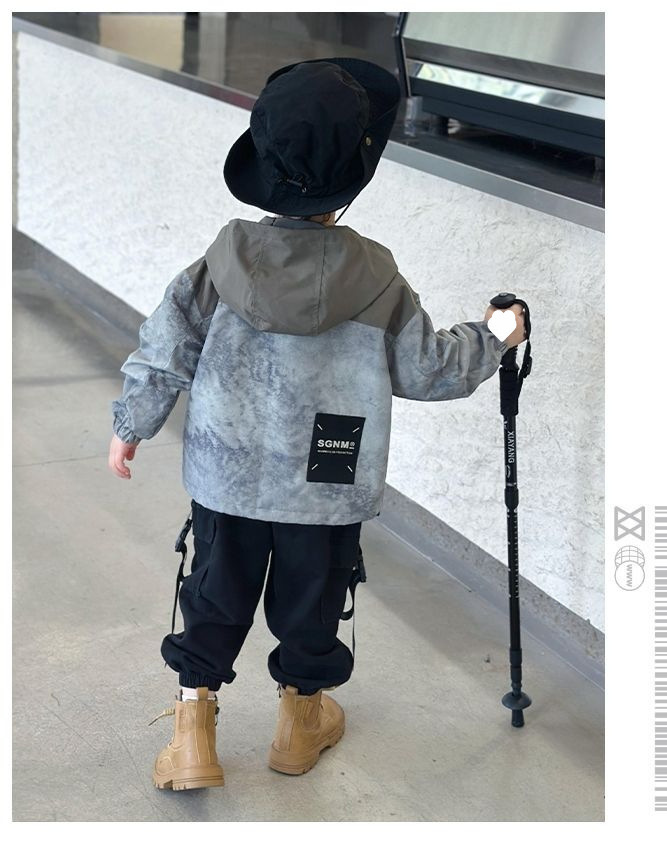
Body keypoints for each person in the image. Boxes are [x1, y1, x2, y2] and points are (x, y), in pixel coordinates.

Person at [108, 57, 527, 792]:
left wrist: (130, 425)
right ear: (353, 177)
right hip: (328, 475)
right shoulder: (377, 278)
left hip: (228, 475)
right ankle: (298, 728)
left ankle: (193, 735)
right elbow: (429, 370)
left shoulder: (220, 262)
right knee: (314, 596)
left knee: (213, 590)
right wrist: (494, 335)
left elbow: (164, 349)